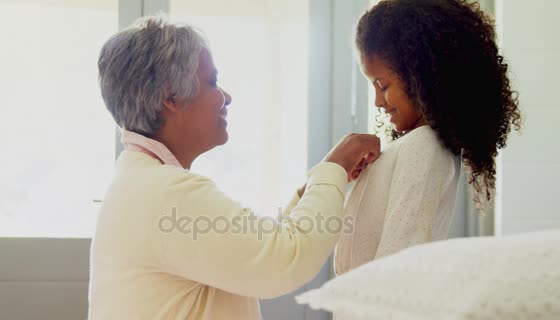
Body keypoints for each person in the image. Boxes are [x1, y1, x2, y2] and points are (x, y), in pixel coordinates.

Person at [88, 16, 380, 320]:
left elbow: (259, 247)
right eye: (212, 82)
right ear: (171, 97)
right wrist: (334, 168)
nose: (226, 96)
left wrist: (321, 185)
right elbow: (283, 260)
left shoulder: (143, 184)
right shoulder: (165, 192)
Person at [335, 0, 522, 275]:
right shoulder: (415, 145)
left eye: (382, 85)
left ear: (420, 75)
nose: (376, 101)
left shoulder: (424, 147)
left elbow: (399, 263)